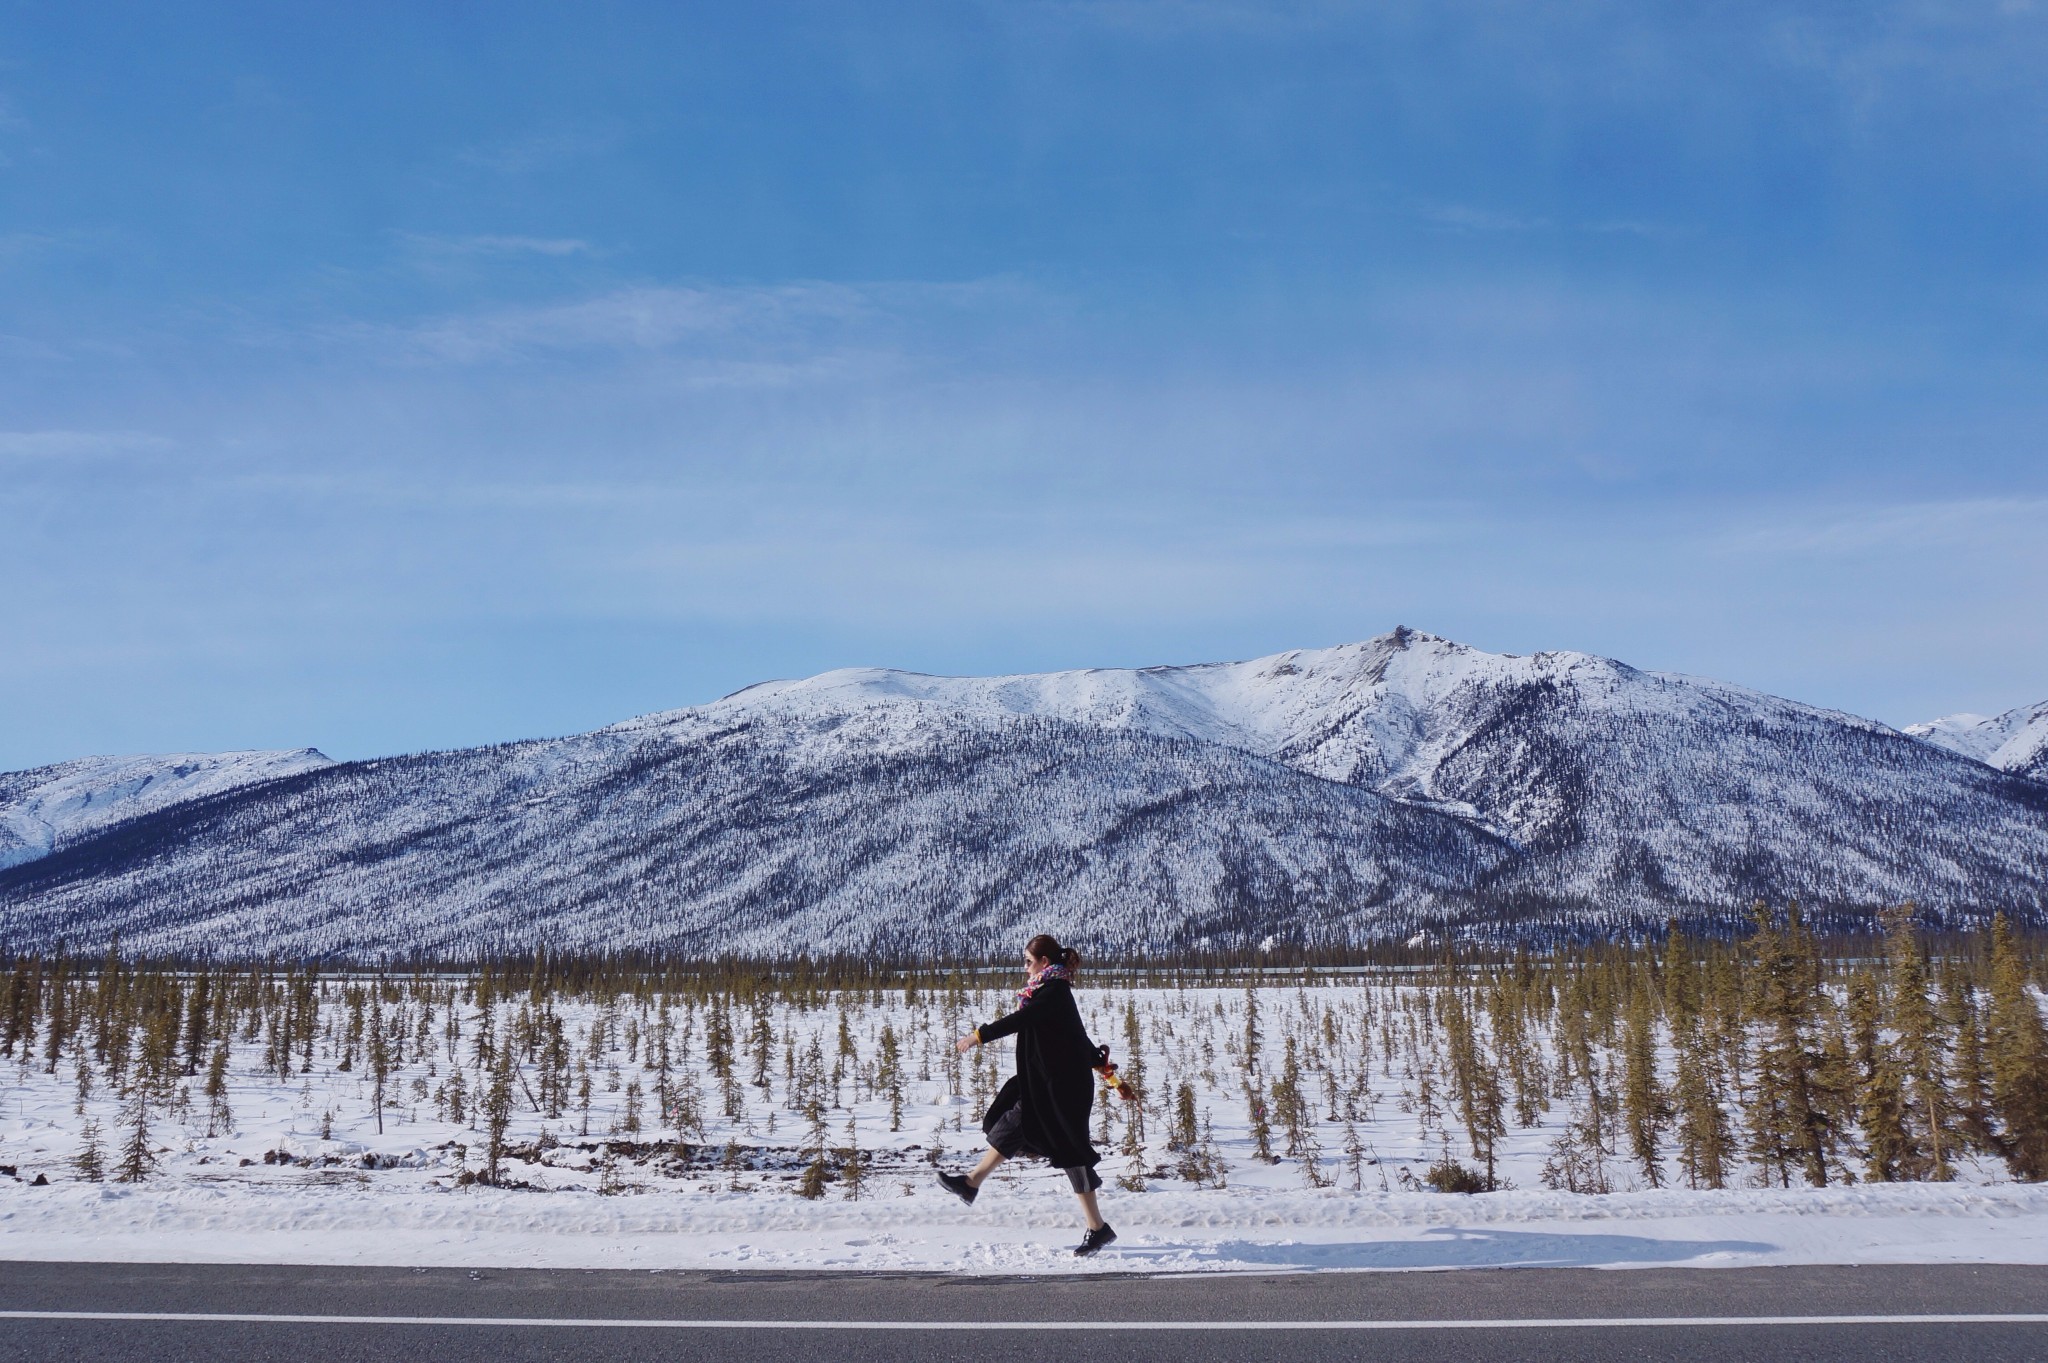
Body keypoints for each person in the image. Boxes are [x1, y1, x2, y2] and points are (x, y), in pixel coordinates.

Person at [939, 933, 1116, 1257]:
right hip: (1050, 1084)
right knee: (1063, 1150)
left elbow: (1021, 1021)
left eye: (1028, 962)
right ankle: (1097, 1228)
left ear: (1044, 963)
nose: (1025, 968)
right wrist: (1100, 1064)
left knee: (1056, 1145)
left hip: (1062, 1089)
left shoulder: (1053, 993)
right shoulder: (1050, 991)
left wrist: (979, 1036)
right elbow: (1076, 1034)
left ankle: (972, 1183)